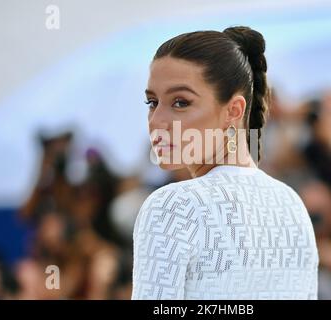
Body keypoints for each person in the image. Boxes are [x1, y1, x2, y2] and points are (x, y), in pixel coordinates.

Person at [131, 26, 319, 300]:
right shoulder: (292, 205)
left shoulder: (172, 207)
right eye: (152, 102)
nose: (156, 121)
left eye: (180, 102)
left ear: (234, 110)